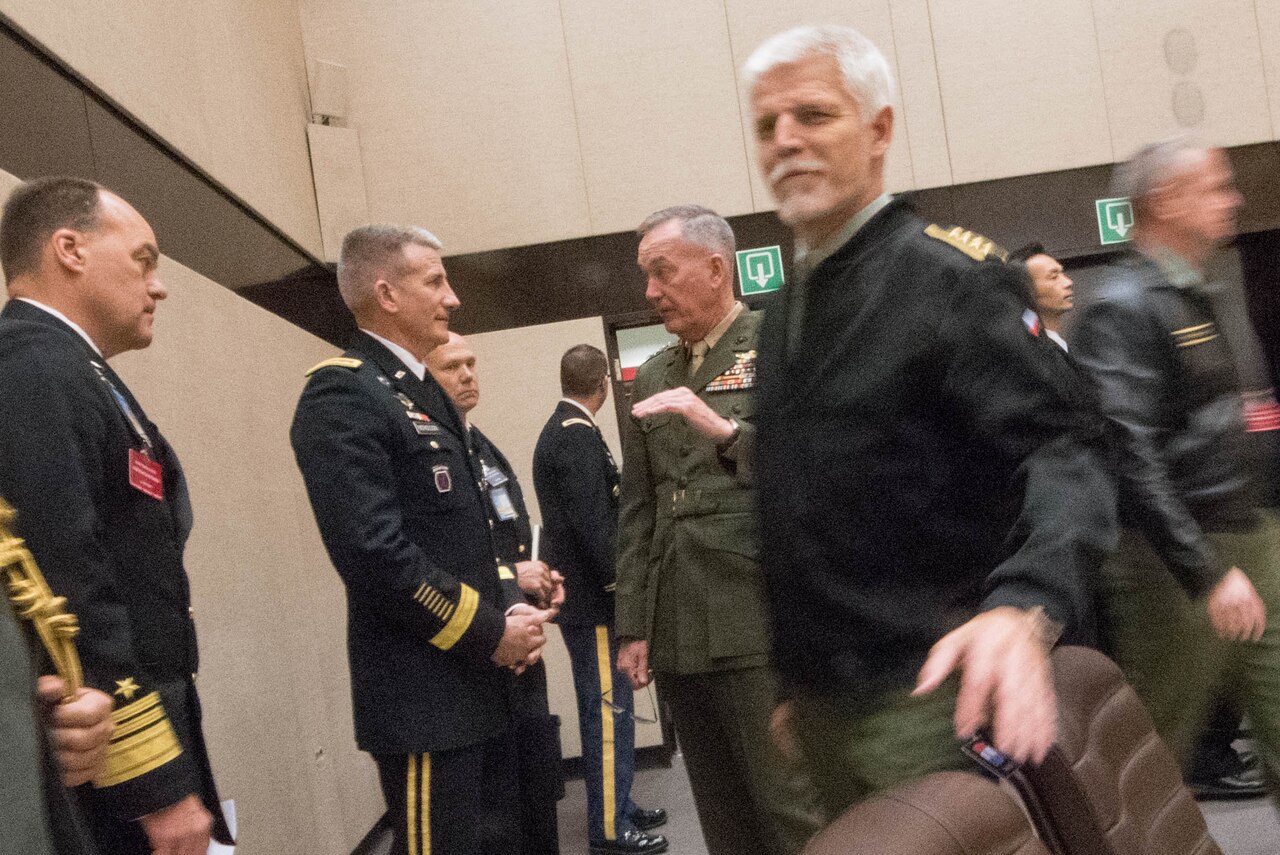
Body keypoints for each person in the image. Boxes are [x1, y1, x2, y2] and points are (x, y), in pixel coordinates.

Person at [741, 25, 1114, 820]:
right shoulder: (781, 313)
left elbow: (1069, 446)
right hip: (819, 705)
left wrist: (1025, 604)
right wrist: (793, 681)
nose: (786, 141)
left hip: (927, 694)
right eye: (767, 125)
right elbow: (798, 499)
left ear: (879, 130)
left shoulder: (948, 277)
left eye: (813, 114)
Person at [290, 224, 554, 855]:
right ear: (386, 293)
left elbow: (459, 540)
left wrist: (507, 600)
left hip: (481, 693)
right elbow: (375, 555)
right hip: (425, 704)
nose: (453, 297)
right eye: (435, 280)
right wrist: (491, 632)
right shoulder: (345, 392)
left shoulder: (421, 394)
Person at [0, 176, 232, 855]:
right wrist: (153, 781)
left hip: (145, 712)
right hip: (102, 746)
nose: (157, 285)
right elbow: (69, 579)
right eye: (143, 258)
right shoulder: (31, 367)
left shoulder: (78, 369)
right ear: (69, 249)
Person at [1072, 138, 1280, 801]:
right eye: (1216, 186)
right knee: (1154, 752)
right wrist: (1205, 570)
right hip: (1172, 559)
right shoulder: (1122, 304)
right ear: (1165, 201)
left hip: (1249, 533)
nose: (1234, 199)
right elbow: (1129, 450)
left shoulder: (1198, 290)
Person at [615, 204, 821, 855]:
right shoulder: (652, 374)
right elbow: (639, 510)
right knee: (721, 811)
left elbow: (816, 469)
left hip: (755, 612)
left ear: (715, 268)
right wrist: (633, 625)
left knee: (788, 805)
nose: (650, 291)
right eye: (646, 275)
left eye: (662, 271)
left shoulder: (779, 344)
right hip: (679, 626)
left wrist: (726, 431)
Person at [426, 331, 567, 855]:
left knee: (537, 794)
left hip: (520, 652)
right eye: (451, 367)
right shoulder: (432, 450)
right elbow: (439, 558)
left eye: (471, 363)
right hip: (476, 648)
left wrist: (536, 579)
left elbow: (505, 533)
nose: (467, 375)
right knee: (493, 820)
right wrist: (512, 575)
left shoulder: (479, 447)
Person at [532, 344, 668, 855]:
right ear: (603, 384)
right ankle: (610, 828)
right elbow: (598, 529)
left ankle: (619, 802)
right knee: (608, 711)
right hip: (595, 604)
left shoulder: (571, 432)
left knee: (612, 709)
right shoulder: (574, 439)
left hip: (588, 602)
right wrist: (624, 596)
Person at [1008, 243, 1074, 352]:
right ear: (1026, 289)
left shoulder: (1059, 345)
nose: (1068, 282)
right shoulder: (1026, 353)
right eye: (1053, 277)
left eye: (1062, 273)